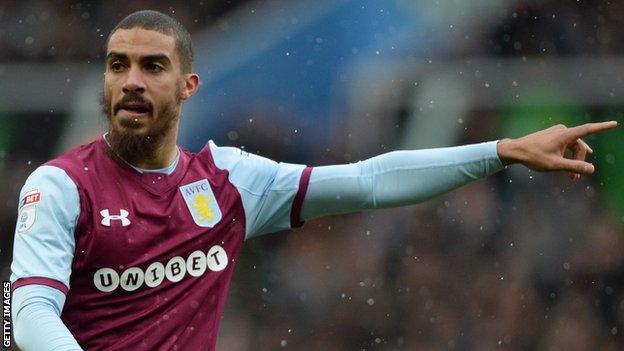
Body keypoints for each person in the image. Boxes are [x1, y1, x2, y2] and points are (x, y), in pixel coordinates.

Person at [9, 10, 617, 351]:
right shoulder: (61, 187)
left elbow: (369, 181)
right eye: (119, 66)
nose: (132, 80)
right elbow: (28, 311)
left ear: (188, 86)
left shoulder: (229, 182)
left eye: (152, 65)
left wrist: (501, 151)